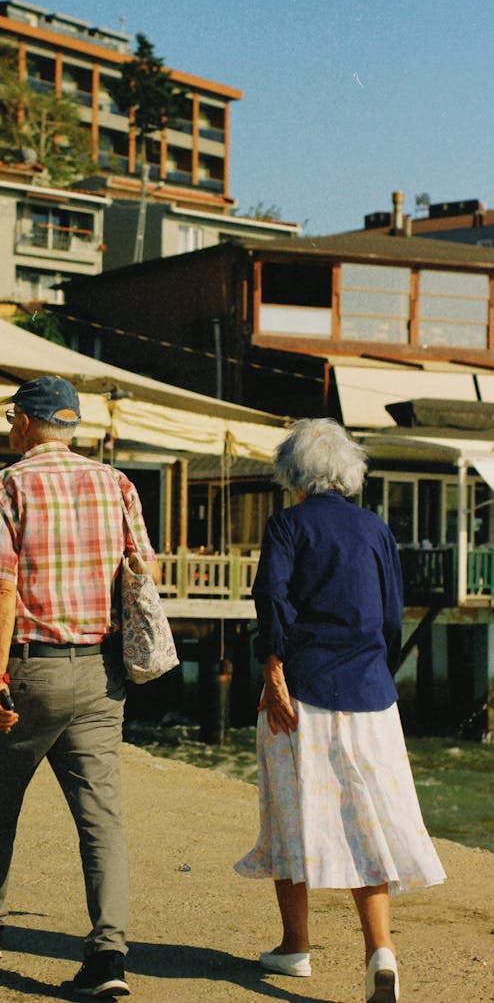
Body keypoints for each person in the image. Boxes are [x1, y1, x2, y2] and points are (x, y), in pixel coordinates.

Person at [0, 375, 158, 999]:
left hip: (32, 669)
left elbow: (1, 587)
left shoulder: (7, 485)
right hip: (100, 672)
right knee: (101, 817)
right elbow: (145, 568)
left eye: (12, 419)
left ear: (30, 423)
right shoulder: (115, 483)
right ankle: (109, 955)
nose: (9, 429)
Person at [234, 418, 445, 1003]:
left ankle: (295, 946)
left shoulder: (286, 525)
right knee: (367, 820)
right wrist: (375, 667)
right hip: (371, 695)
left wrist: (272, 670)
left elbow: (272, 602)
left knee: (288, 813)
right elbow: (390, 616)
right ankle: (381, 950)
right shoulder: (374, 529)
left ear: (292, 473)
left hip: (302, 691)